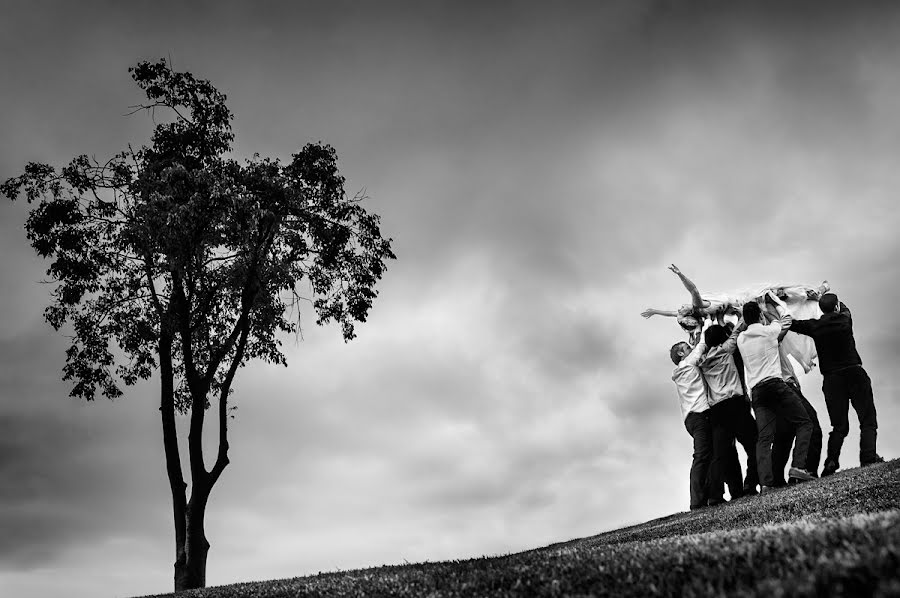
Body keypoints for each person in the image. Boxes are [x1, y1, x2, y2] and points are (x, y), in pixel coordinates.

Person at [642, 266, 828, 362]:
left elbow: (671, 313)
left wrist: (655, 311)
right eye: (682, 310)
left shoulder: (694, 314)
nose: (680, 308)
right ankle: (817, 293)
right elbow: (693, 290)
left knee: (780, 306)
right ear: (690, 315)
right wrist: (681, 275)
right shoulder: (699, 306)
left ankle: (816, 295)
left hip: (739, 306)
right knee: (778, 295)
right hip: (743, 303)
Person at [789, 293, 883, 475]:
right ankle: (868, 457)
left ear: (821, 309)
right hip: (854, 372)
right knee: (868, 419)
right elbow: (844, 308)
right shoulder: (845, 320)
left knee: (839, 426)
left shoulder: (814, 326)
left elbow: (792, 323)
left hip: (832, 379)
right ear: (836, 307)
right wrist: (820, 297)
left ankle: (831, 461)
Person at [737, 302, 816, 492]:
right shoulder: (769, 331)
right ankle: (798, 466)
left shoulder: (741, 339)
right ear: (759, 316)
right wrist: (770, 308)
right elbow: (786, 320)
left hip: (757, 391)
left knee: (764, 438)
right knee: (804, 423)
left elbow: (741, 327)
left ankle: (766, 484)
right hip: (775, 385)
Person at [700, 320, 759, 502]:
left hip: (717, 410)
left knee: (721, 455)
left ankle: (715, 495)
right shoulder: (727, 350)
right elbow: (738, 329)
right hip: (736, 405)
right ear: (722, 339)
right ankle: (750, 483)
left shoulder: (702, 362)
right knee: (756, 444)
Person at [670, 323, 713, 510]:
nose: (691, 349)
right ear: (681, 353)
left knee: (707, 455)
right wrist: (709, 323)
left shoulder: (679, 372)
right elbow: (702, 345)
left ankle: (709, 496)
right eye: (687, 348)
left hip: (690, 418)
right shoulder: (688, 363)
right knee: (702, 457)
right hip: (700, 414)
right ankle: (697, 502)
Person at [770, 343, 824, 484]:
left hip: (778, 388)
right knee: (810, 424)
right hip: (784, 386)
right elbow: (785, 321)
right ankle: (804, 470)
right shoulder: (769, 334)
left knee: (784, 433)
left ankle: (776, 478)